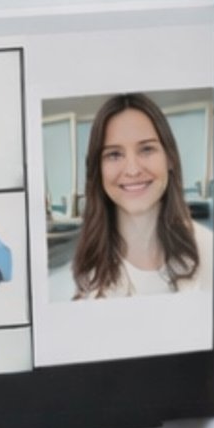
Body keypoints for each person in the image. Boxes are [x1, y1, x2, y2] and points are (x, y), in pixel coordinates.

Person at [68, 92, 204, 300]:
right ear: (98, 169)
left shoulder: (211, 249)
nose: (132, 170)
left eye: (147, 149)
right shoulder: (80, 278)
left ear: (170, 158)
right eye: (114, 154)